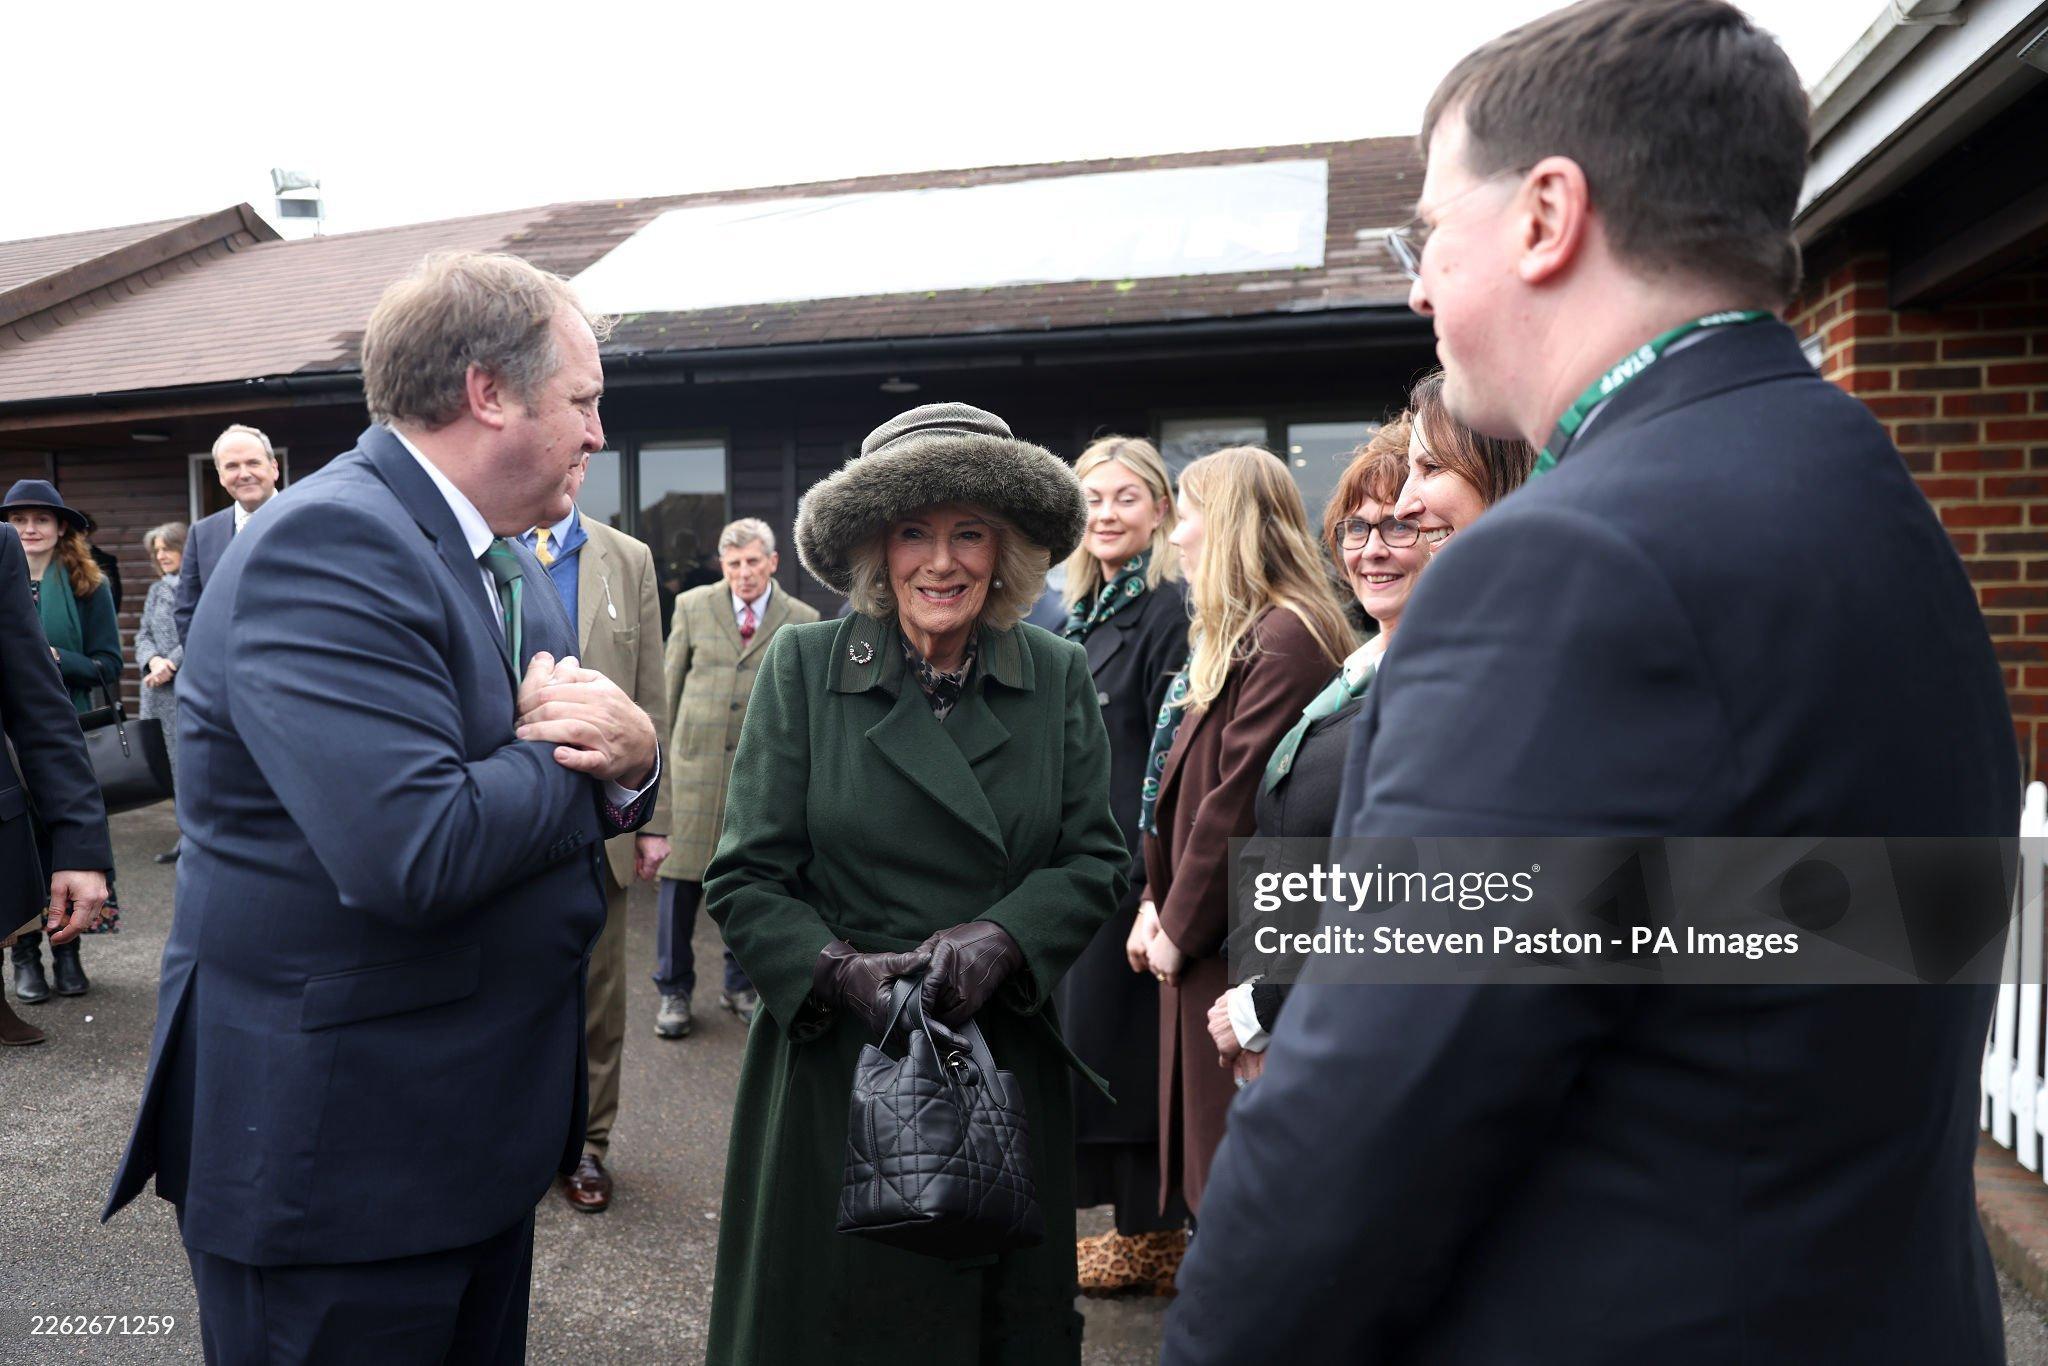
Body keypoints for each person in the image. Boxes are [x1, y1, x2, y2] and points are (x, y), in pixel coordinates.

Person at [1167, 4, 2017, 1363]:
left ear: (1548, 215)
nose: (1417, 287)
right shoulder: (1867, 494)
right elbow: (1854, 922)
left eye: (1432, 232)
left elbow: (1369, 1120)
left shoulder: (1572, 559)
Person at [104, 251, 661, 1363]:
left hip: (447, 1148)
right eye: (585, 401)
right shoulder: (332, 542)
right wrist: (607, 756)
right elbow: (416, 848)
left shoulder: (459, 549)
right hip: (344, 1171)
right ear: (487, 392)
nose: (599, 434)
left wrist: (616, 759)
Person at [702, 402, 1128, 1363]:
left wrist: (1005, 939)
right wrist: (844, 973)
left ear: (1005, 551)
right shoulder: (805, 669)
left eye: (969, 532)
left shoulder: (1055, 672)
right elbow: (746, 875)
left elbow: (1096, 856)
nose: (943, 562)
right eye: (915, 533)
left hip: (997, 1064)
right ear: (873, 551)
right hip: (838, 1067)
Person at [1207, 396, 1534, 1076]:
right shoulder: (1348, 678)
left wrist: (1268, 1004)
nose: (1375, 547)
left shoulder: (1473, 669)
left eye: (1396, 524)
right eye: (1355, 530)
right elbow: (1280, 843)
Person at [1129, 446, 1352, 1222]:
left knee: (1233, 1189)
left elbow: (1234, 802)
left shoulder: (1285, 637)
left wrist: (1177, 925)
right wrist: (1156, 901)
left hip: (1233, 946)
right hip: (1206, 935)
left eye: (1186, 515)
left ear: (1224, 526)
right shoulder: (1247, 631)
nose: (1176, 535)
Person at [1051, 435, 1192, 1294]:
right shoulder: (1085, 609)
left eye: (1124, 498)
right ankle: (1130, 1228)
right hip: (1081, 866)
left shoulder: (1167, 608)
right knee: (1091, 1048)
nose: (1106, 514)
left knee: (1128, 1054)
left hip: (1129, 874)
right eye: (1093, 500)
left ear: (1161, 510)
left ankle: (1154, 1235)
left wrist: (1152, 886)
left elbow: (1168, 760)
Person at [519, 460, 673, 1213]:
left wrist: (656, 820)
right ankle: (517, 1139)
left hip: (603, 826)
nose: (567, 468)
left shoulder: (628, 557)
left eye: (580, 460)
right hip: (509, 819)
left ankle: (588, 1145)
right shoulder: (492, 546)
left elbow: (651, 695)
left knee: (600, 999)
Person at [654, 517, 818, 1037]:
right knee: (678, 891)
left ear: (772, 562)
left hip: (763, 780)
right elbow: (666, 689)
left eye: (752, 562)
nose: (743, 573)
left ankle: (739, 985)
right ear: (722, 567)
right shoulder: (692, 606)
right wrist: (657, 775)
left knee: (749, 888)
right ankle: (673, 991)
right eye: (733, 564)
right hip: (693, 772)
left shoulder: (804, 619)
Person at [4, 478, 122, 1002]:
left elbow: (108, 664)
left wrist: (57, 661)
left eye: (41, 519)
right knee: (19, 850)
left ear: (60, 528)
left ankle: (68, 950)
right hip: (4, 753)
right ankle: (25, 957)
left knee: (61, 843)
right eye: (20, 518)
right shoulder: (8, 570)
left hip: (60, 727)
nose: (30, 527)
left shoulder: (86, 585)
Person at [174, 423, 282, 643]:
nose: (244, 474)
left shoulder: (306, 519)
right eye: (232, 466)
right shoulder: (202, 534)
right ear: (221, 476)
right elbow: (187, 612)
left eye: (253, 463)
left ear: (274, 468)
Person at [134, 521, 187, 864]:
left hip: (186, 688)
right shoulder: (156, 589)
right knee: (170, 767)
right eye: (157, 550)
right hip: (158, 692)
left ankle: (197, 841)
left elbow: (202, 629)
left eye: (169, 547)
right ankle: (186, 838)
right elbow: (142, 634)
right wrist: (152, 660)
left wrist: (171, 664)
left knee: (190, 766)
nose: (162, 555)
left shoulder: (201, 586)